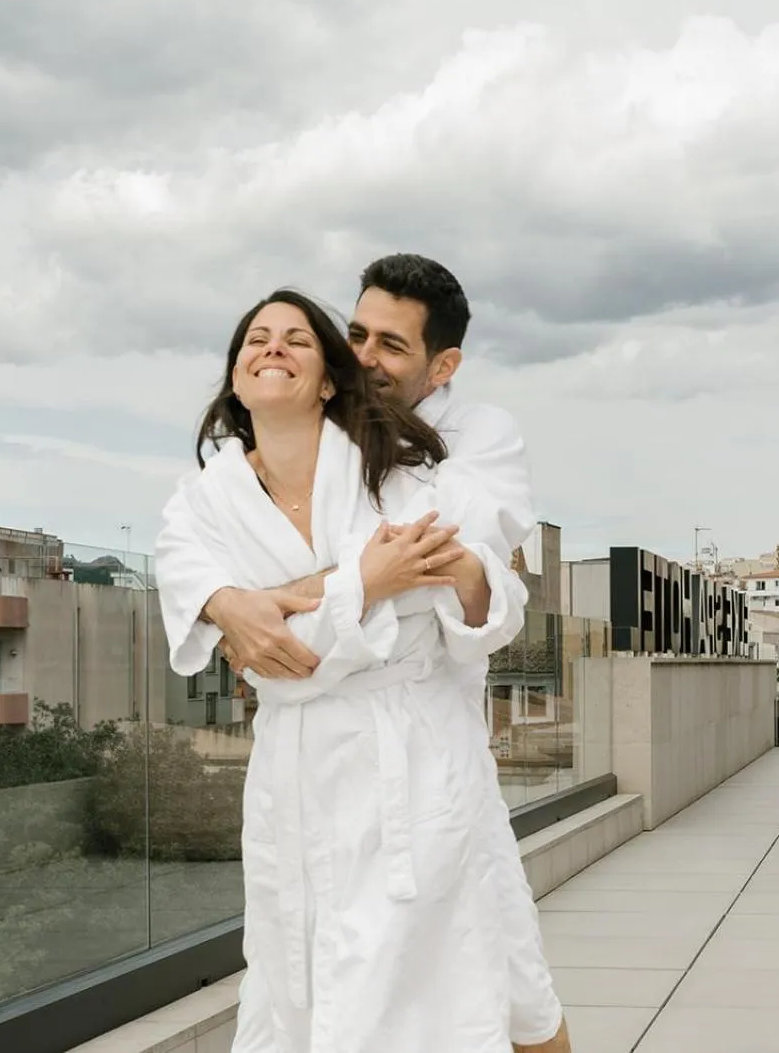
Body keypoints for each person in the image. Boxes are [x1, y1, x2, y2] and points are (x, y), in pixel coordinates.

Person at [157, 256, 570, 1052]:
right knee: (311, 993)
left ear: (441, 365)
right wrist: (231, 602)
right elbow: (219, 611)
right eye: (355, 336)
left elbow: (442, 581)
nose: (366, 358)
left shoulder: (437, 456)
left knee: (497, 985)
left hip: (421, 743)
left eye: (390, 344)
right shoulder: (210, 495)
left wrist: (276, 599)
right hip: (297, 772)